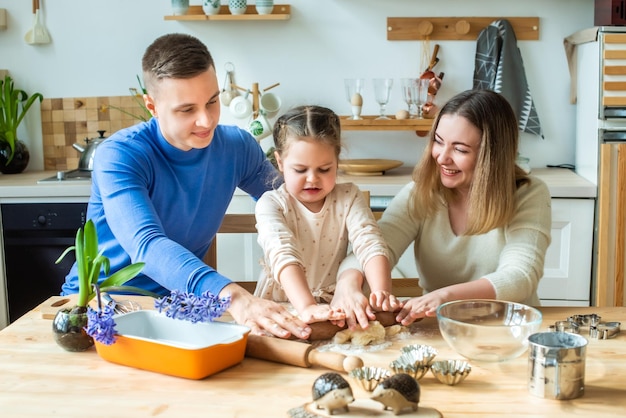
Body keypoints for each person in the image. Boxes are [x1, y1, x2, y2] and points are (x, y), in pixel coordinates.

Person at [60, 33, 311, 340]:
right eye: (187, 110)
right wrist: (235, 297)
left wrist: (348, 278)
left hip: (180, 311)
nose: (206, 121)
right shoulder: (120, 155)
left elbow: (297, 204)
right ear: (152, 106)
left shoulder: (236, 147)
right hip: (96, 311)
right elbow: (147, 247)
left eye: (213, 101)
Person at [334, 89, 552, 329]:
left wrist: (444, 297)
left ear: (493, 155)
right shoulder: (420, 192)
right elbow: (372, 249)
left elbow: (520, 276)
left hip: (508, 327)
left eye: (460, 149)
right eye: (438, 142)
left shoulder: (529, 194)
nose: (442, 158)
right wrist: (348, 286)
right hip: (438, 327)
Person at [254, 105, 401, 323]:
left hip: (336, 304)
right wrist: (307, 307)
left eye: (324, 169)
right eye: (300, 170)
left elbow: (369, 242)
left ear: (337, 161)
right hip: (285, 306)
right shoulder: (271, 204)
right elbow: (282, 253)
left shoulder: (348, 196)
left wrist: (381, 293)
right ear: (281, 162)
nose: (312, 179)